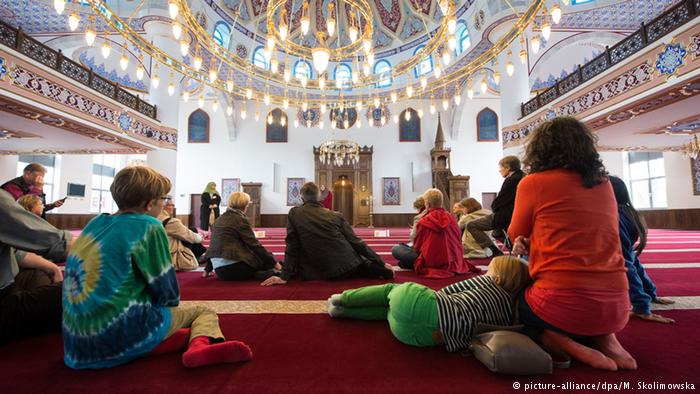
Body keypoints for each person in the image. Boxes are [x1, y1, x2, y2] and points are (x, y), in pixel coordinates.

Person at [63, 166, 252, 369]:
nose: (165, 204)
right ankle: (198, 347)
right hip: (120, 332)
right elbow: (167, 292)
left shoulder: (95, 223)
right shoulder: (148, 225)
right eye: (164, 199)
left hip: (78, 344)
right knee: (201, 313)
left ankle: (178, 340)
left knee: (175, 327)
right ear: (150, 203)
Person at [509, 116, 636, 371]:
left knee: (511, 302)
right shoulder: (604, 184)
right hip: (618, 306)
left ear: (540, 149)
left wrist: (529, 240)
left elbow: (515, 233)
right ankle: (606, 338)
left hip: (561, 306)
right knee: (589, 291)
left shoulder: (533, 183)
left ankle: (562, 341)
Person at [327, 256, 530, 352]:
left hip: (425, 305)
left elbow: (449, 290)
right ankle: (343, 312)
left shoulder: (488, 283)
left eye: (490, 271)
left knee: (391, 291)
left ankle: (343, 299)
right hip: (417, 337)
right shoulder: (507, 316)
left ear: (497, 279)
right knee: (387, 312)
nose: (487, 274)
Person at [261, 182, 393, 286]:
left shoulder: (294, 213)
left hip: (315, 271)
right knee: (359, 258)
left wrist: (284, 276)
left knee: (286, 262)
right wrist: (381, 262)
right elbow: (356, 242)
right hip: (347, 266)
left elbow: (292, 246)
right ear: (319, 197)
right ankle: (371, 267)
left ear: (301, 198)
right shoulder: (335, 215)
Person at [0, 188, 71, 345]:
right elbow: (59, 243)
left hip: (9, 283)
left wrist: (52, 267)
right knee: (72, 292)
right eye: (40, 203)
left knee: (40, 273)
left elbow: (15, 253)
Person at [609, 176, 675, 324]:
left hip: (621, 245)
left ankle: (641, 306)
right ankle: (650, 294)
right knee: (633, 261)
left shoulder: (615, 215)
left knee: (627, 264)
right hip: (627, 240)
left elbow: (627, 264)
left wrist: (641, 306)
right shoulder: (629, 211)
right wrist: (651, 294)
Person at [390, 188, 477, 277]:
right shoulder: (452, 219)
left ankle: (410, 264)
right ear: (441, 202)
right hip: (454, 260)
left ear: (427, 204)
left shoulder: (424, 220)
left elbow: (417, 246)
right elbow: (458, 239)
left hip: (431, 262)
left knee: (396, 249)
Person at [205, 191, 280, 281]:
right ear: (245, 206)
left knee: (265, 258)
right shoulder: (239, 219)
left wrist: (207, 269)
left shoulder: (219, 220)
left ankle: (261, 272)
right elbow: (254, 245)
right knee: (266, 259)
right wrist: (274, 263)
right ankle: (275, 273)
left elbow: (214, 245)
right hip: (235, 268)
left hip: (219, 271)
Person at [467, 156, 525, 257]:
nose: (499, 170)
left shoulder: (511, 180)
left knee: (471, 225)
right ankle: (510, 248)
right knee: (496, 233)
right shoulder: (523, 176)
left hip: (505, 216)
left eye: (501, 167)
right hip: (516, 215)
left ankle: (494, 251)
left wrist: (494, 206)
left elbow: (500, 201)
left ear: (508, 167)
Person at [158, 196, 206, 271]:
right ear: (165, 206)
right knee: (192, 232)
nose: (173, 207)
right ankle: (199, 255)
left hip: (158, 251)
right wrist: (201, 237)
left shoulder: (152, 219)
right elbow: (191, 237)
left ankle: (200, 254)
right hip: (169, 254)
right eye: (172, 205)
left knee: (191, 230)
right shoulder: (171, 222)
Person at [391, 197, 427, 267]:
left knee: (395, 248)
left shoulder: (419, 218)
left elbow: (414, 238)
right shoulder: (444, 216)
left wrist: (412, 232)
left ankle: (415, 264)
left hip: (423, 255)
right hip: (438, 256)